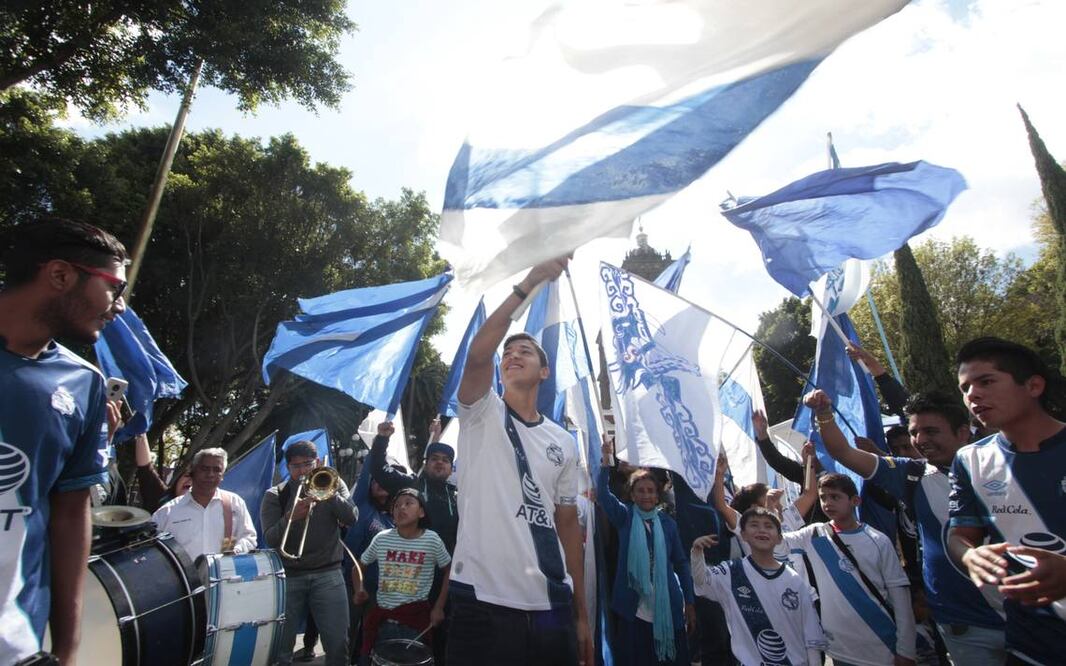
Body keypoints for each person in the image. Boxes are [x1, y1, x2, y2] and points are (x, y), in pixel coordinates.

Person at [447, 256, 591, 666]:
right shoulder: (480, 413)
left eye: (525, 351)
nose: (513, 355)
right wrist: (530, 281)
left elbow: (567, 525)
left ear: (545, 372)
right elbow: (478, 355)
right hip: (481, 600)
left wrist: (581, 612)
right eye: (508, 352)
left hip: (551, 604)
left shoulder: (563, 441)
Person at [0, 218, 127, 665]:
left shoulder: (84, 384)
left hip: (17, 647)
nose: (121, 307)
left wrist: (68, 651)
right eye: (114, 287)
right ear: (59, 275)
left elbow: (71, 516)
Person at [807, 388, 1006, 663]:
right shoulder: (912, 474)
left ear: (962, 432)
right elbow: (843, 452)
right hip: (963, 624)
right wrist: (824, 414)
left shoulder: (1004, 466)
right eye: (915, 432)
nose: (920, 440)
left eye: (931, 431)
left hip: (1029, 614)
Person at [947, 337, 1066, 666]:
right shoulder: (970, 461)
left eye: (986, 381)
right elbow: (959, 537)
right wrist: (970, 557)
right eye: (965, 387)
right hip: (1029, 645)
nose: (973, 395)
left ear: (1034, 385)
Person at [782, 473, 917, 665]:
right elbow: (776, 539)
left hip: (881, 647)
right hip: (840, 651)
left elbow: (900, 597)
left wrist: (906, 650)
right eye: (823, 497)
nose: (827, 503)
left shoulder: (878, 540)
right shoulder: (813, 534)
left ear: (855, 500)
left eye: (835, 497)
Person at [596, 439, 694, 665]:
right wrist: (606, 461)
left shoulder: (667, 523)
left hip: (667, 606)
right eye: (640, 491)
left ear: (658, 495)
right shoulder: (625, 517)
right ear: (631, 494)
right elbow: (603, 495)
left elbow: (680, 562)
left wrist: (689, 600)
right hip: (634, 608)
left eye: (651, 491)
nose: (646, 495)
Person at [262, 440, 358, 666]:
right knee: (281, 649)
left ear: (317, 462)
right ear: (288, 467)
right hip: (289, 575)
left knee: (337, 644)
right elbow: (270, 538)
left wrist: (328, 493)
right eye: (296, 466)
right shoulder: (276, 494)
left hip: (329, 574)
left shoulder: (334, 483)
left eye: (307, 464)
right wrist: (290, 517)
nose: (303, 471)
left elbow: (352, 517)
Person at [691, 507, 826, 666]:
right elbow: (702, 583)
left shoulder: (795, 581)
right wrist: (696, 553)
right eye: (754, 525)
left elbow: (811, 636)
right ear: (743, 535)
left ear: (779, 538)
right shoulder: (731, 572)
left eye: (769, 526)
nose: (762, 530)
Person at [354, 487, 451, 658]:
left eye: (408, 503)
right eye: (397, 505)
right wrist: (359, 589)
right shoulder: (381, 538)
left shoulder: (432, 540)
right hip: (382, 621)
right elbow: (358, 567)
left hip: (416, 623)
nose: (401, 508)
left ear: (421, 512)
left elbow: (449, 572)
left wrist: (439, 607)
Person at [367, 418, 457, 553]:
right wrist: (382, 439)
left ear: (451, 470)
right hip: (410, 566)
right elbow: (378, 469)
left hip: (445, 569)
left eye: (445, 460)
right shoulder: (411, 485)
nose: (439, 462)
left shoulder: (457, 498)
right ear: (425, 466)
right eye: (434, 459)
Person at [152, 447, 258, 560]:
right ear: (193, 471)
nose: (210, 474)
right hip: (183, 577)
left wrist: (237, 550)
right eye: (205, 469)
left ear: (222, 475)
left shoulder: (234, 503)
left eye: (217, 470)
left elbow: (249, 537)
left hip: (223, 575)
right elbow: (151, 548)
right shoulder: (168, 511)